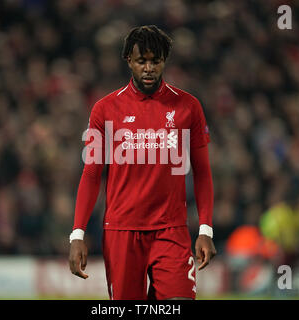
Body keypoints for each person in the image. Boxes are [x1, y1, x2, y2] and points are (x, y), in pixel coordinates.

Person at [69, 25, 216, 300]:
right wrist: (77, 234)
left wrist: (206, 228)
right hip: (122, 231)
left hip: (171, 230)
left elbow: (203, 173)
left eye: (155, 61)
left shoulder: (188, 106)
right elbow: (91, 175)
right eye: (141, 61)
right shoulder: (105, 109)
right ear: (129, 60)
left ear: (164, 61)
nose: (148, 68)